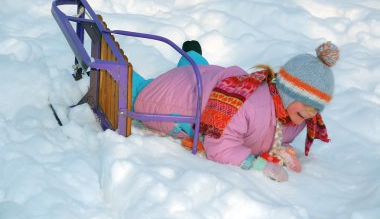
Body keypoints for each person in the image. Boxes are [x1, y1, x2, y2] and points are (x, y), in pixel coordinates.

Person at [133, 41, 340, 182]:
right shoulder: (250, 105)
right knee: (141, 96)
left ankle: (192, 58)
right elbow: (218, 143)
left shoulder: (295, 116)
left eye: (316, 109)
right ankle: (114, 70)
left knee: (197, 74)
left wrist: (282, 149)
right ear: (287, 93)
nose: (311, 115)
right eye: (307, 105)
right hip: (178, 102)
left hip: (207, 81)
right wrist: (259, 165)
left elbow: (269, 135)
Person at [131, 40, 209, 107]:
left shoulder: (184, 67)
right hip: (198, 107)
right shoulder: (208, 71)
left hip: (173, 103)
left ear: (183, 53)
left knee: (141, 88)